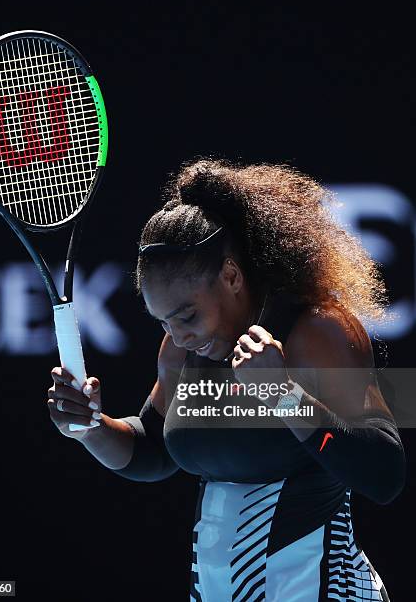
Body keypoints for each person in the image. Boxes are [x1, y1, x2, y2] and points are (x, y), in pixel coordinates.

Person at [47, 160, 406, 601]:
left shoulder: (317, 331)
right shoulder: (182, 350)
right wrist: (91, 428)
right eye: (164, 323)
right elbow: (153, 450)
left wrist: (283, 395)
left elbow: (385, 475)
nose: (178, 336)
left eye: (187, 316)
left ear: (232, 276)